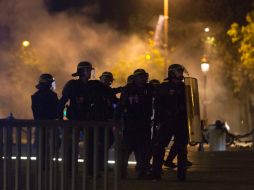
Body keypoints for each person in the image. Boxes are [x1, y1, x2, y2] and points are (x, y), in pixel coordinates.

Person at [59, 61, 113, 176]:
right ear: (81, 71)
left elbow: (109, 92)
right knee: (71, 146)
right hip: (74, 119)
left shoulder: (93, 85)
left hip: (88, 119)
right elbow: (63, 100)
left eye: (90, 70)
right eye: (88, 70)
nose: (90, 72)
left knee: (91, 146)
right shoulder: (72, 85)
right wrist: (58, 116)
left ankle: (91, 170)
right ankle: (70, 171)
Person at [150, 64, 189, 181]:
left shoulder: (185, 87)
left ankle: (181, 174)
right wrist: (165, 114)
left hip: (181, 122)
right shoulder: (163, 87)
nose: (181, 75)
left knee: (182, 148)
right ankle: (156, 172)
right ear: (172, 73)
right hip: (167, 122)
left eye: (182, 72)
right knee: (160, 147)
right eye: (179, 72)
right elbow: (157, 105)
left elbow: (190, 105)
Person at [115, 69, 153, 179]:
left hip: (144, 124)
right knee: (126, 150)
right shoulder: (128, 89)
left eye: (145, 76)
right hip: (131, 124)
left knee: (143, 151)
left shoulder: (149, 88)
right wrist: (116, 119)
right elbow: (121, 105)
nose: (144, 78)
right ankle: (122, 172)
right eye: (141, 76)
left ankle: (142, 172)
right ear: (136, 78)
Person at [31, 73, 59, 172]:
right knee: (48, 146)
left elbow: (35, 112)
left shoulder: (36, 96)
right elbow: (56, 111)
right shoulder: (52, 96)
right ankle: (46, 165)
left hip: (41, 125)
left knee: (42, 146)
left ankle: (43, 166)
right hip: (49, 125)